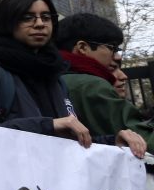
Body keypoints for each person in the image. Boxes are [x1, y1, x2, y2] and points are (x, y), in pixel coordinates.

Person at [0, 0, 92, 148]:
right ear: (7, 23)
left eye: (46, 17)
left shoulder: (54, 75)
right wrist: (48, 125)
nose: (40, 24)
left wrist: (115, 141)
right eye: (28, 18)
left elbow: (77, 140)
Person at [56, 12, 149, 157]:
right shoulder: (91, 85)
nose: (116, 56)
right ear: (82, 47)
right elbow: (143, 138)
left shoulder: (54, 79)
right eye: (111, 47)